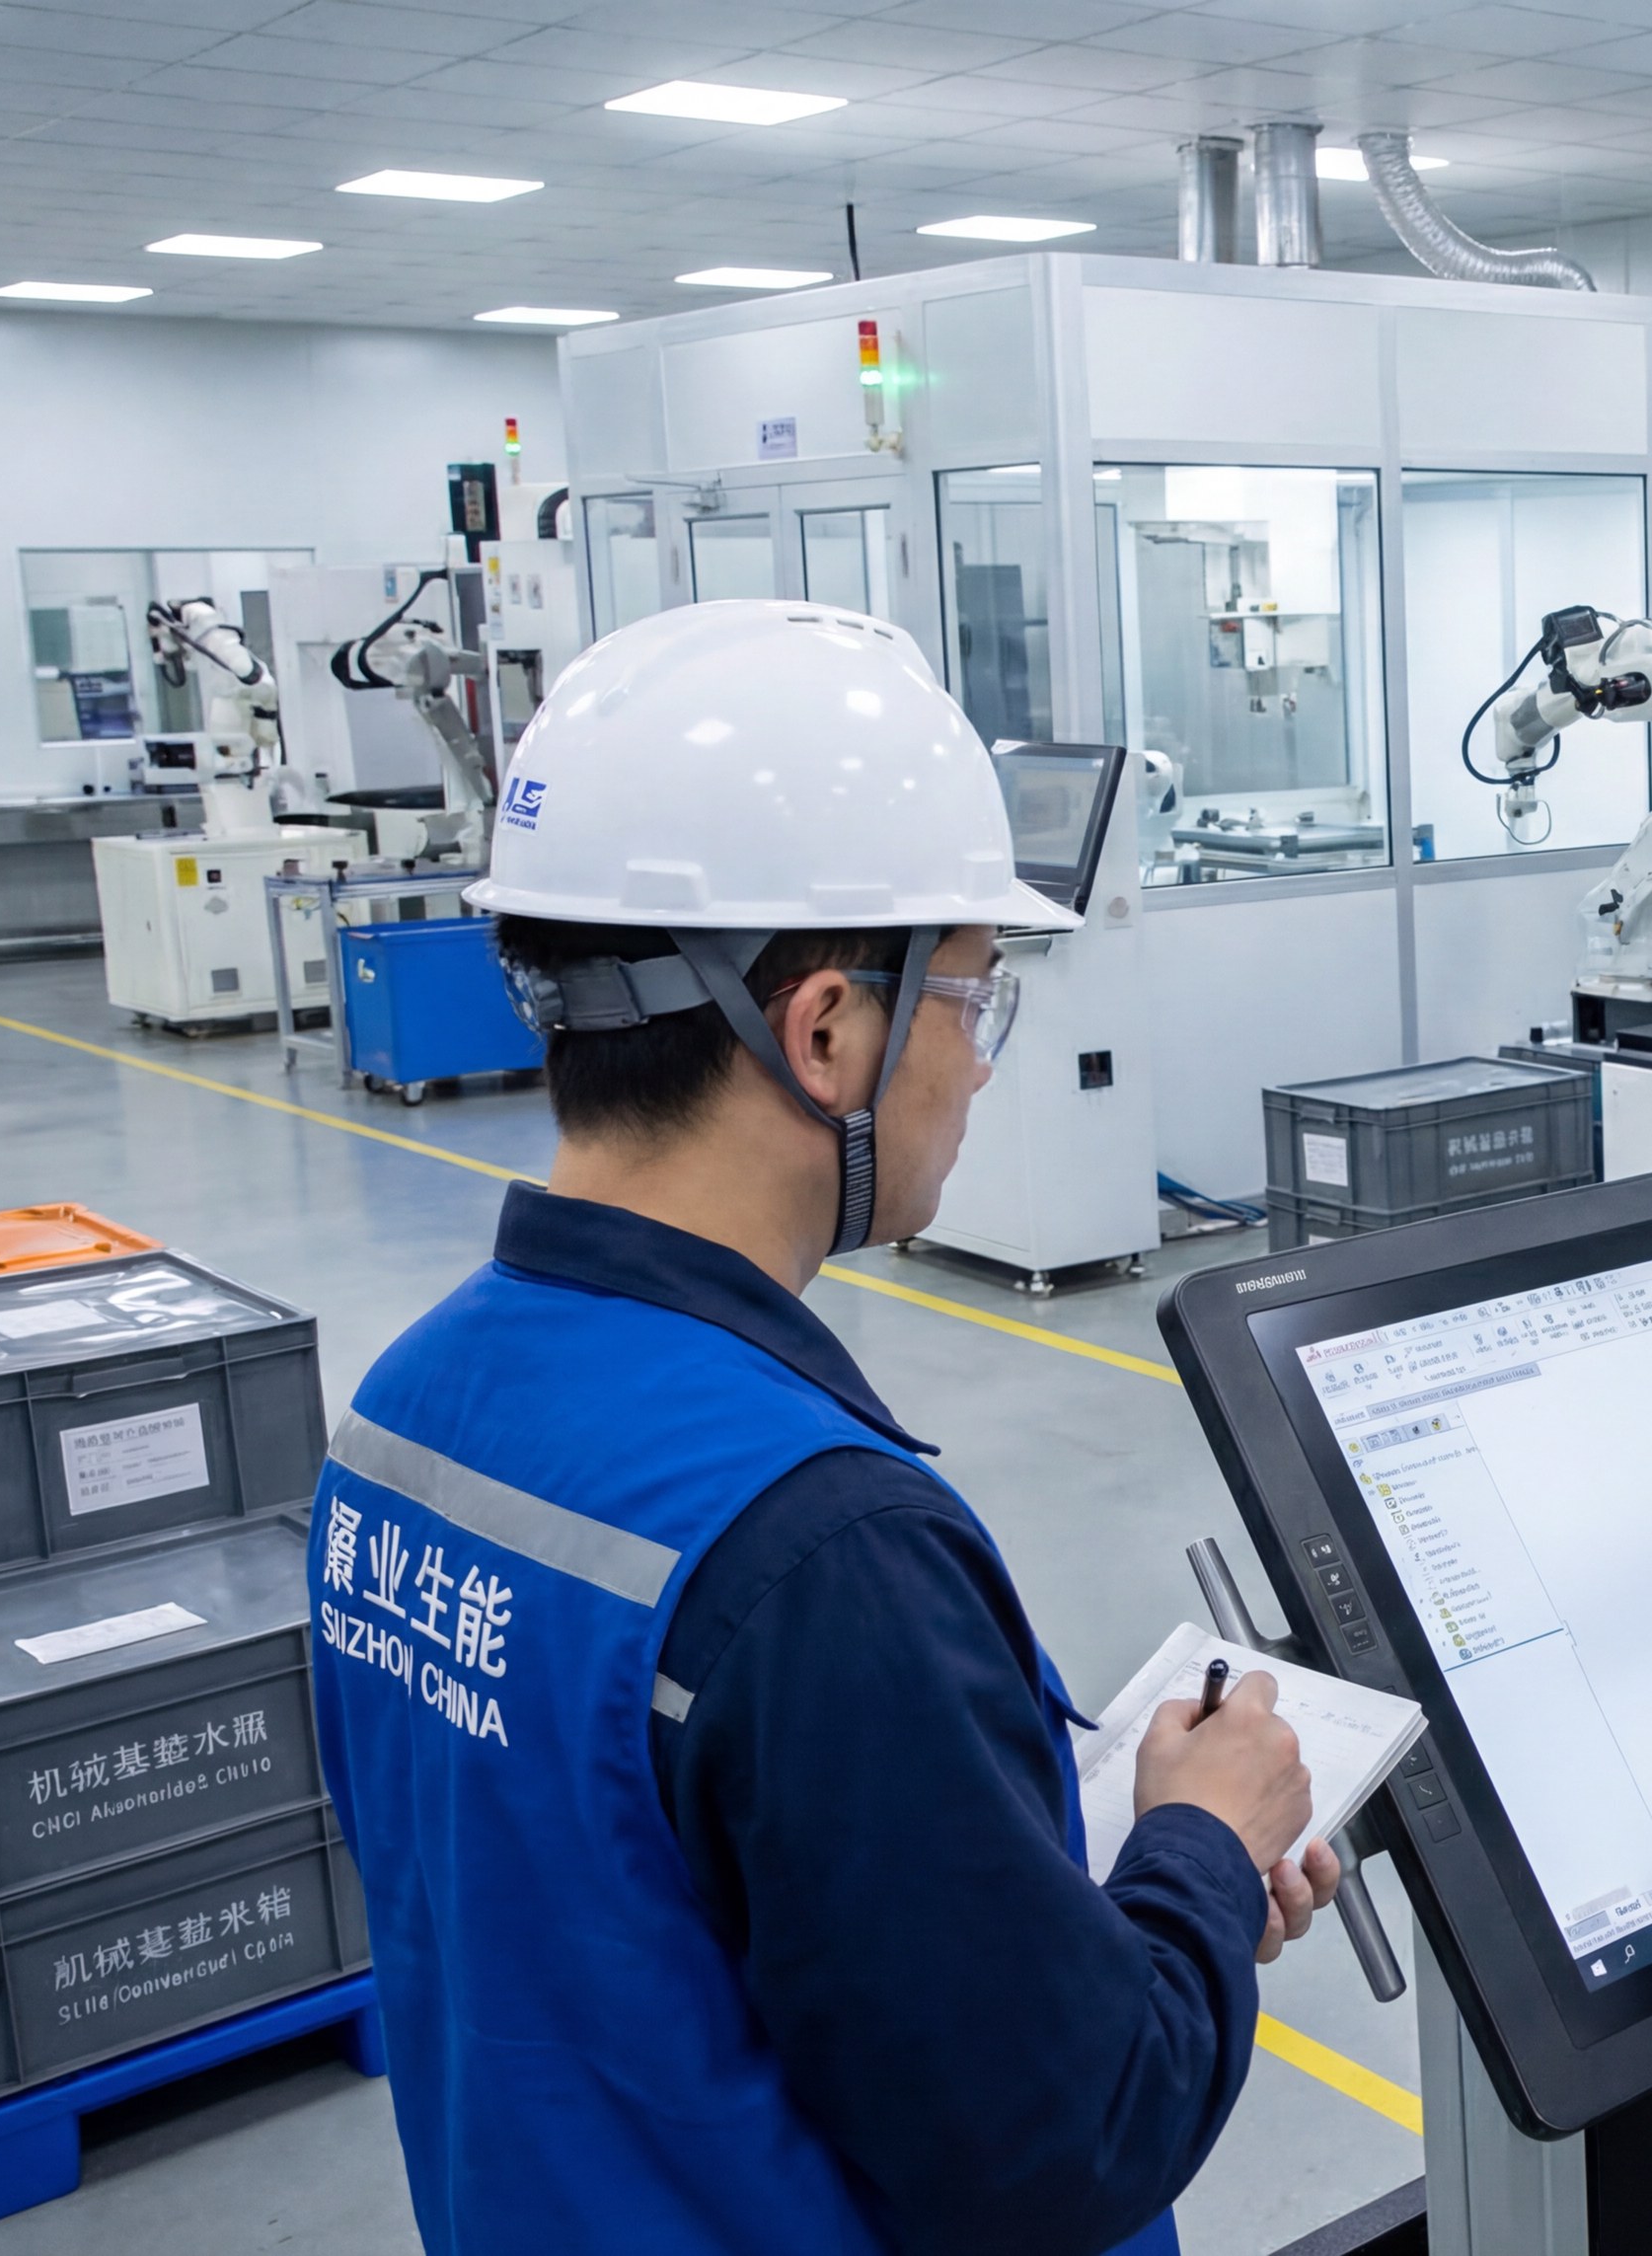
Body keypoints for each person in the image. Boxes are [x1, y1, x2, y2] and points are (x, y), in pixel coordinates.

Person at [309, 600, 1334, 2255]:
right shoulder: (819, 1550)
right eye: (970, 1004)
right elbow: (1071, 2138)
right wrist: (1208, 1848)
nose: (980, 1071)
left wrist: (1134, 1906)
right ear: (829, 1030)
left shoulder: (401, 1416)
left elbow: (619, 1908)